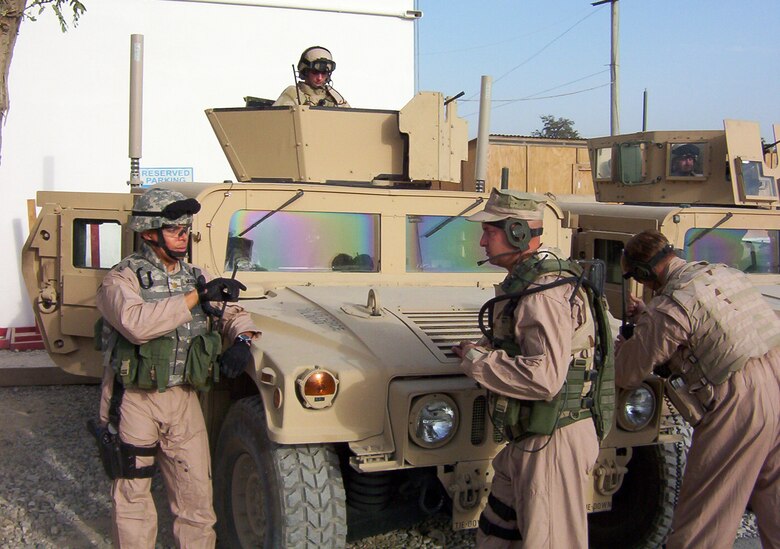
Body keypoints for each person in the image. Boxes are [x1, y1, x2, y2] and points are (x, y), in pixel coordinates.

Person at [94, 188, 260, 548]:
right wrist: (197, 297)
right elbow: (136, 322)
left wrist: (243, 340)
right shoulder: (121, 280)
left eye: (186, 228)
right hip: (135, 401)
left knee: (197, 500)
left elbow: (233, 314)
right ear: (149, 233)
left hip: (184, 400)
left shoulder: (194, 276)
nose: (184, 236)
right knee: (133, 501)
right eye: (175, 229)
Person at [452, 188, 604, 548]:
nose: (482, 241)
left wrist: (477, 361)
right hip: (531, 435)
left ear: (517, 232)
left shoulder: (541, 292)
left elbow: (545, 378)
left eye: (489, 231)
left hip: (552, 437)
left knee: (551, 539)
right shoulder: (527, 283)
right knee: (501, 530)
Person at [616, 229, 780, 549]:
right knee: (774, 498)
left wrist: (627, 343)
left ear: (645, 273)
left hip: (739, 400)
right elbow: (711, 321)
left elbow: (628, 372)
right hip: (775, 382)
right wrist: (649, 317)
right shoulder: (723, 273)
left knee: (705, 514)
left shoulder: (670, 307)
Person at [273, 46, 350, 107]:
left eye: (323, 73)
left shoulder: (335, 97)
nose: (319, 78)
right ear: (306, 71)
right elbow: (275, 120)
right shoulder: (294, 94)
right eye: (315, 72)